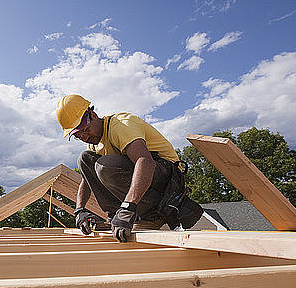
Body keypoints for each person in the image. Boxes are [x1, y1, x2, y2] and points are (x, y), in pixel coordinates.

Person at [55, 94, 203, 242]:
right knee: (85, 159)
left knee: (103, 166)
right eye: (78, 135)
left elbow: (145, 161)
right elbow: (86, 180)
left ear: (92, 115)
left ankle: (152, 215)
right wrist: (79, 210)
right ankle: (116, 217)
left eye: (85, 130)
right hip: (148, 178)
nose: (84, 136)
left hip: (168, 179)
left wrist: (128, 208)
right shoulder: (94, 143)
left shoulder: (120, 125)